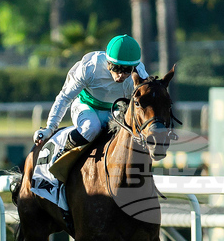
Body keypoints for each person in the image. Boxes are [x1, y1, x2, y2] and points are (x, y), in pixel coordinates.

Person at [34, 34, 149, 178]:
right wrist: (50, 128)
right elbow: (65, 97)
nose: (121, 75)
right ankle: (59, 158)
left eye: (127, 70)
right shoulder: (90, 66)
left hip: (115, 110)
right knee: (91, 128)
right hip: (85, 105)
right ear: (108, 62)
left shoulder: (139, 74)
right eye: (117, 68)